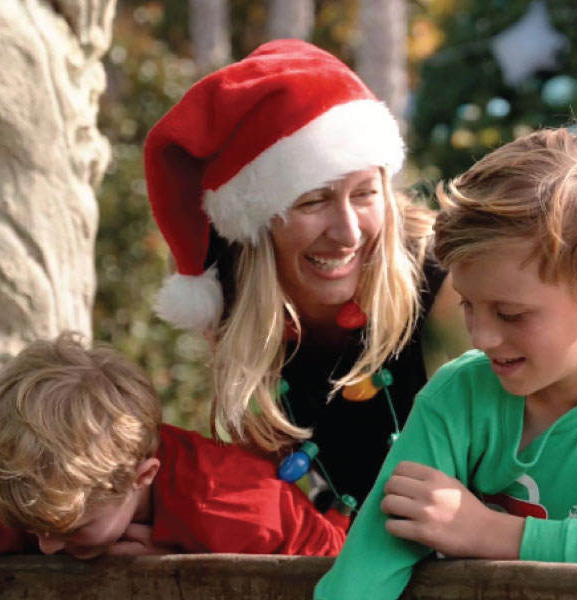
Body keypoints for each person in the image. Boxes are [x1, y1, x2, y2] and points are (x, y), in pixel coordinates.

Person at [315, 127, 577, 599]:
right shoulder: (457, 396)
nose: (482, 337)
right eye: (468, 305)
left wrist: (490, 532)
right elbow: (357, 585)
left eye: (511, 314)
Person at [143, 39, 467, 513]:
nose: (348, 232)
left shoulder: (448, 285)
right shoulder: (231, 298)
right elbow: (265, 476)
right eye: (313, 201)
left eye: (364, 194)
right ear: (257, 222)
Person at [0, 334, 347, 600]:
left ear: (142, 477)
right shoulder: (43, 498)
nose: (47, 547)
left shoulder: (229, 506)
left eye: (69, 529)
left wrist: (183, 575)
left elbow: (338, 563)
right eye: (39, 530)